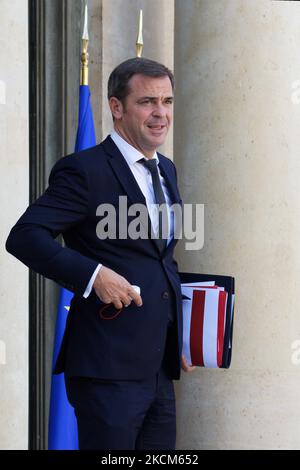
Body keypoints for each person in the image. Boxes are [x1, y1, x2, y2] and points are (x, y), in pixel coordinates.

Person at [6, 57, 195, 450]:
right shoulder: (84, 171)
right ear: (116, 107)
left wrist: (185, 330)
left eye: (167, 101)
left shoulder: (167, 170)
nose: (160, 113)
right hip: (106, 369)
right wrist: (95, 276)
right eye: (147, 102)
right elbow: (25, 236)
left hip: (158, 367)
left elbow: (160, 259)